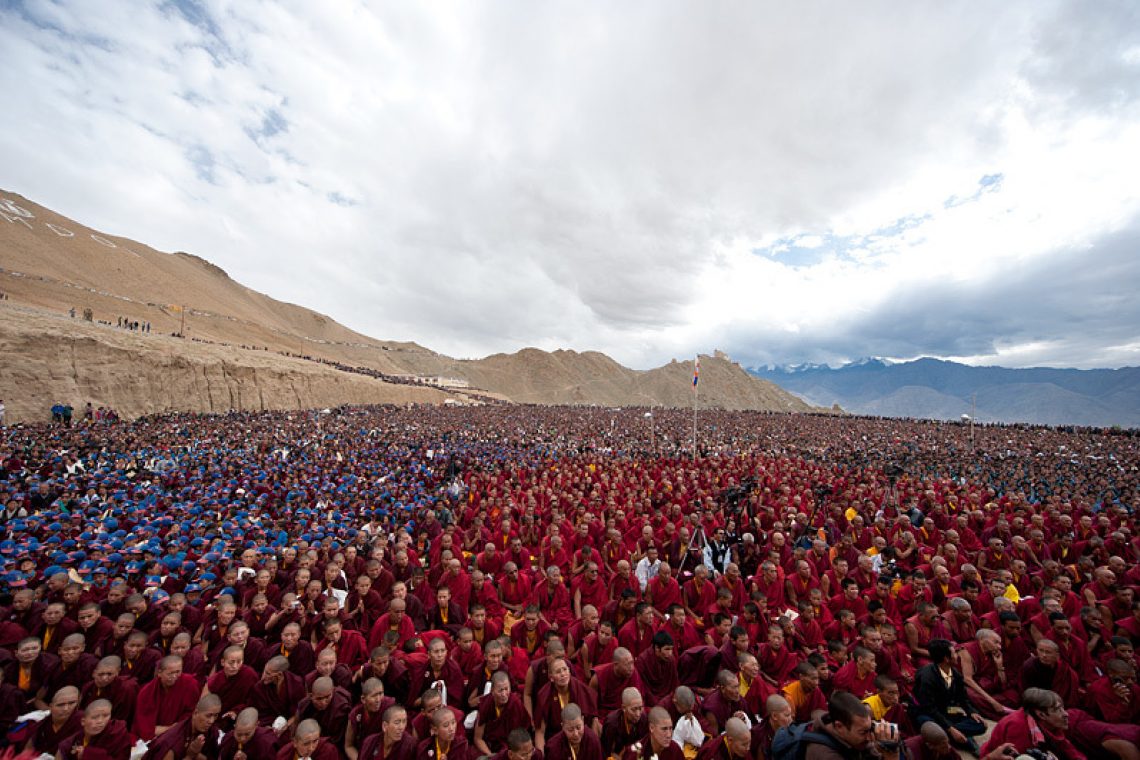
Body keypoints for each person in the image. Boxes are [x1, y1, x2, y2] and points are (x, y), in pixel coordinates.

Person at [912, 639, 985, 752]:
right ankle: (962, 739)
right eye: (954, 653)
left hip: (946, 711)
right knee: (926, 723)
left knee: (980, 724)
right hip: (928, 713)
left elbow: (963, 698)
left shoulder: (955, 673)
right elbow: (929, 708)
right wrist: (950, 728)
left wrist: (972, 711)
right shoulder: (927, 677)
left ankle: (950, 735)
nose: (957, 656)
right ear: (946, 658)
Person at [980, 689, 1085, 760]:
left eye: (1063, 708)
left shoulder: (1048, 723)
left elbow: (1066, 746)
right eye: (1058, 710)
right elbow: (1019, 758)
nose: (1065, 714)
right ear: (1041, 715)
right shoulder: (1018, 726)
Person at [143, 693, 222, 760]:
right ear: (195, 713)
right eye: (208, 716)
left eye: (215, 715)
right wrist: (190, 756)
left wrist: (197, 755)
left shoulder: (211, 732)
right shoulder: (171, 743)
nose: (212, 721)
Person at [56, 698, 133, 760]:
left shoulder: (117, 733)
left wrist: (88, 754)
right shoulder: (74, 740)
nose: (100, 721)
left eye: (105, 716)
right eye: (95, 717)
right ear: (83, 721)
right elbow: (62, 751)